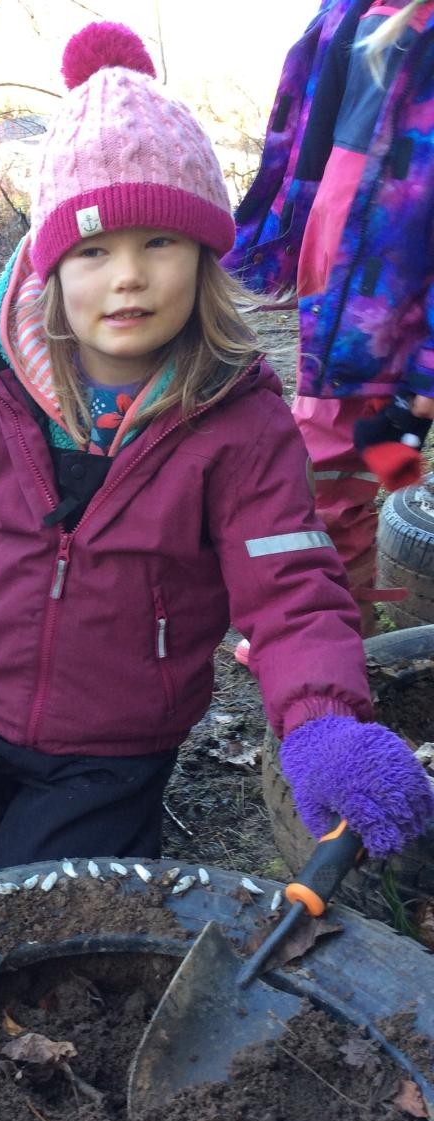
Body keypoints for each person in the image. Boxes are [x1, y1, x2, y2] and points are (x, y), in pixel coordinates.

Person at [0, 22, 434, 899]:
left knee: (42, 911)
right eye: (93, 249)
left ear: (204, 258)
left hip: (114, 746)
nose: (127, 276)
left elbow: (292, 586)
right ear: (51, 269)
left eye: (159, 242)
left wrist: (321, 724)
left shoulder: (240, 424)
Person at [225, 0, 434, 643]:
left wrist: (426, 381)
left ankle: (326, 652)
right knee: (355, 475)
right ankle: (352, 629)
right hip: (337, 284)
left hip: (388, 309)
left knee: (329, 484)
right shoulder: (353, 7)